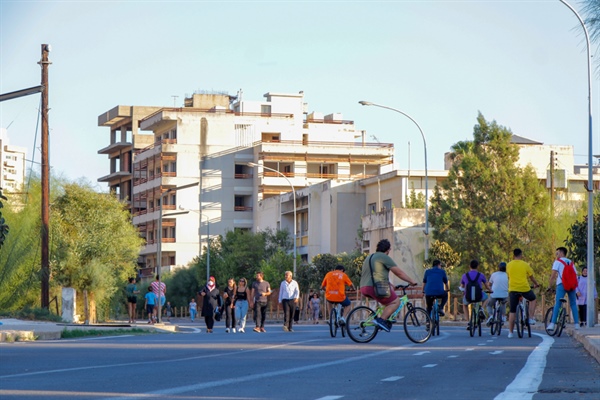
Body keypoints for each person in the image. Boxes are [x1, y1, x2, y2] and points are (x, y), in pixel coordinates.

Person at [360, 239, 418, 332]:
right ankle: (381, 320)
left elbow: (375, 273)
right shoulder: (383, 257)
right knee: (395, 302)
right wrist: (411, 281)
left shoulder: (369, 257)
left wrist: (390, 284)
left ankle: (385, 318)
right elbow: (398, 272)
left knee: (388, 302)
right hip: (376, 287)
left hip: (364, 287)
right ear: (387, 250)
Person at [506, 248, 540, 338]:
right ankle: (531, 318)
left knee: (512, 311)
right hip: (524, 288)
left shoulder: (508, 265)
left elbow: (508, 276)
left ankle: (510, 332)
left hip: (513, 289)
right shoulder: (525, 265)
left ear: (513, 256)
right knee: (533, 298)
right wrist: (536, 284)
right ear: (521, 255)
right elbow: (531, 277)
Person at [547, 247, 579, 331]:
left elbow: (553, 275)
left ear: (561, 253)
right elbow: (575, 275)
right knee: (573, 304)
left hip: (561, 284)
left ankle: (552, 324)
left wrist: (549, 286)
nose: (556, 254)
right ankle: (577, 324)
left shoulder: (557, 262)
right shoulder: (571, 262)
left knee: (558, 303)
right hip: (571, 286)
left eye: (557, 253)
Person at [460, 260, 490, 330]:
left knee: (465, 305)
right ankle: (481, 309)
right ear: (477, 267)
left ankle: (468, 321)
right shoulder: (481, 275)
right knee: (486, 297)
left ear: (469, 266)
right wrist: (490, 290)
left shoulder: (465, 275)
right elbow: (486, 286)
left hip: (468, 297)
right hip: (479, 296)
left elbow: (462, 286)